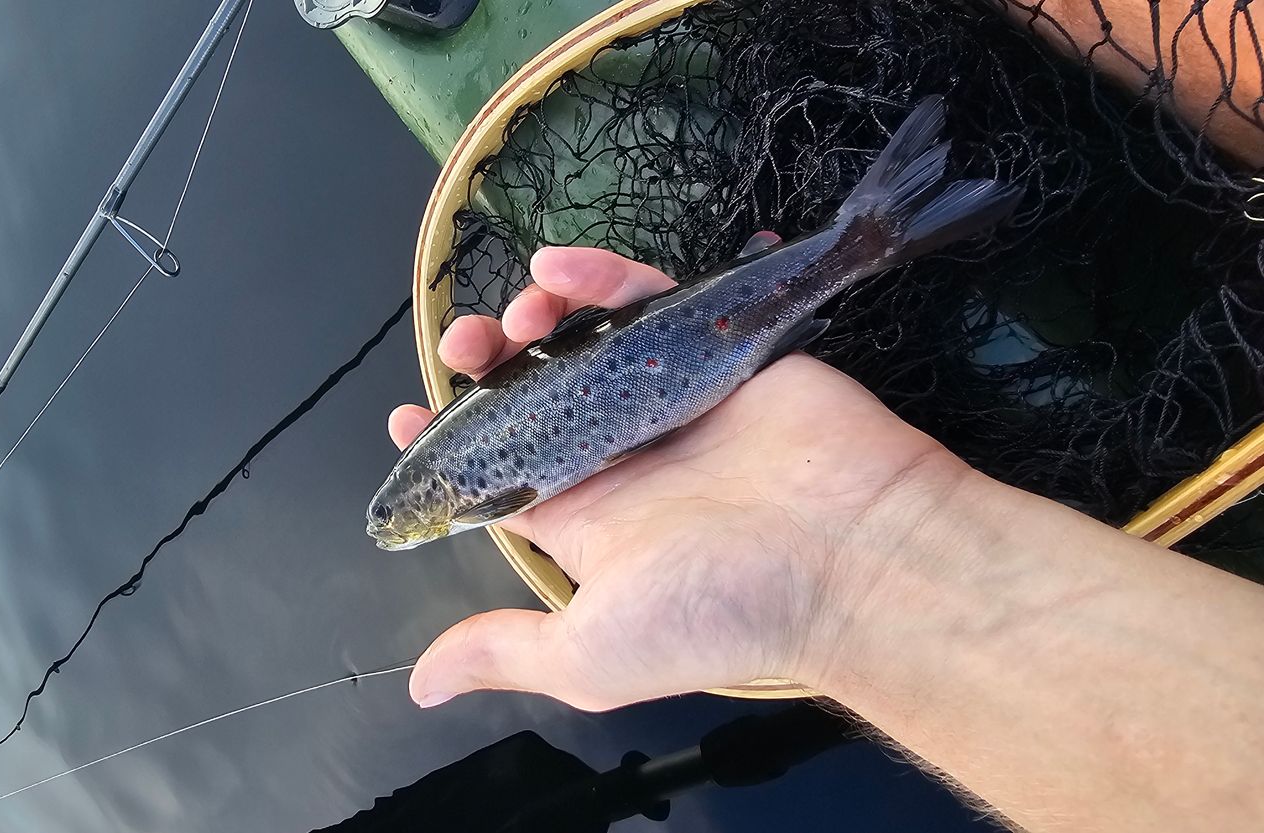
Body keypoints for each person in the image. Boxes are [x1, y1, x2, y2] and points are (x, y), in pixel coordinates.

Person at [386, 5, 1264, 830]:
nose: (391, 525)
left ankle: (864, 237)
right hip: (707, 357)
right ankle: (865, 236)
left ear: (434, 498)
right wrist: (832, 588)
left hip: (706, 353)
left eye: (395, 513)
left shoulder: (488, 494)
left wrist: (840, 596)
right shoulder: (478, 484)